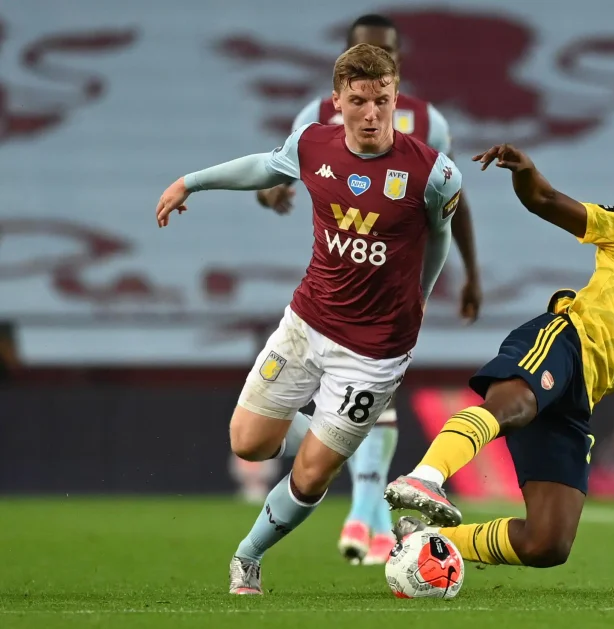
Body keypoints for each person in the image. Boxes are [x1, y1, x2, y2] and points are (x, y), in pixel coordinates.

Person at [154, 43, 463, 594]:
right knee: (248, 443)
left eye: (382, 101)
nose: (372, 113)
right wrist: (189, 182)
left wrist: (422, 294)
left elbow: (440, 238)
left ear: (397, 99)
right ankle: (329, 430)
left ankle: (248, 556)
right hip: (307, 323)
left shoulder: (434, 173)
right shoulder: (311, 144)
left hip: (376, 351)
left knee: (314, 472)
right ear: (337, 101)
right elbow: (262, 167)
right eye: (359, 101)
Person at [384, 143, 614, 568]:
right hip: (565, 341)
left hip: (583, 397)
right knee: (515, 405)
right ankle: (425, 477)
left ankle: (423, 539)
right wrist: (525, 172)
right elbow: (545, 201)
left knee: (547, 544)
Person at [238, 13, 482, 566]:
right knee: (303, 429)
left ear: (398, 62)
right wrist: (271, 194)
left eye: (386, 50)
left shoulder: (428, 121)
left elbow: (448, 201)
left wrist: (469, 274)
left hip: (391, 294)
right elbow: (277, 172)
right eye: (365, 49)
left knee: (374, 397)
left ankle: (366, 517)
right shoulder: (315, 117)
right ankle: (363, 505)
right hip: (333, 280)